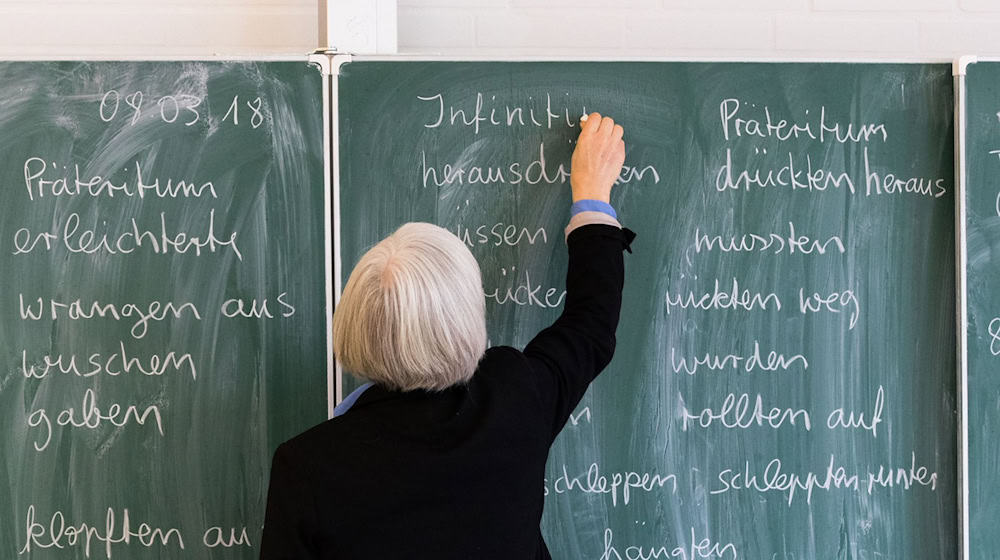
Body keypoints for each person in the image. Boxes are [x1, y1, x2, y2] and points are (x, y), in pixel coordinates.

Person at [260, 112, 633, 559]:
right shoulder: (514, 398)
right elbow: (590, 325)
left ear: (354, 324)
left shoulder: (306, 466)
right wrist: (592, 196)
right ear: (468, 320)